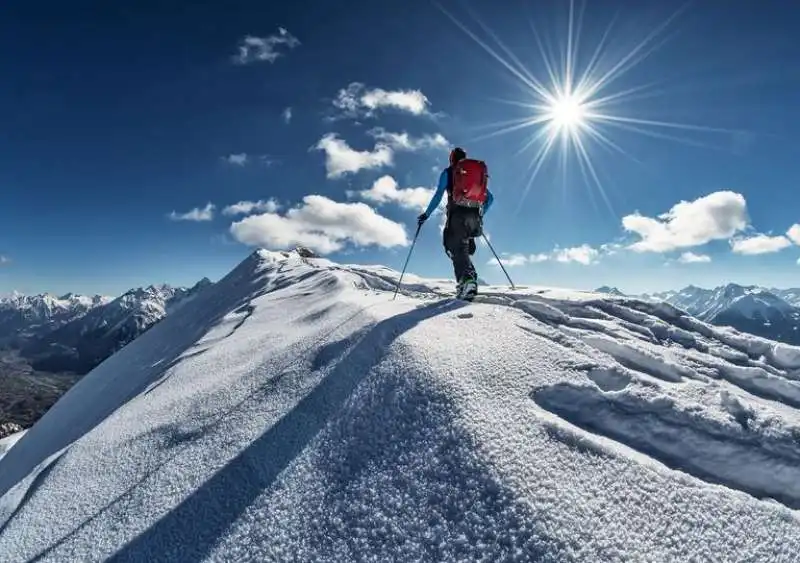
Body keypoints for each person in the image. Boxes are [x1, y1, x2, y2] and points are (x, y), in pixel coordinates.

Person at [417, 147, 494, 300]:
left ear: (451, 158)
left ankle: (467, 281)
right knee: (464, 249)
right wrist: (479, 214)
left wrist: (426, 214)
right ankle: (468, 281)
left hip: (457, 216)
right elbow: (490, 199)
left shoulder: (449, 172)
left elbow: (439, 194)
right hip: (474, 218)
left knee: (453, 247)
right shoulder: (474, 175)